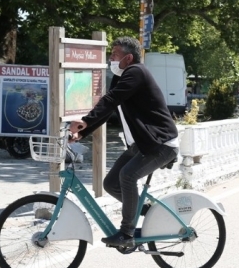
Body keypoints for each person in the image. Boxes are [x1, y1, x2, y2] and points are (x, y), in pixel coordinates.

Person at [70, 36, 179, 247]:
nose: (110, 58)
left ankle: (127, 235)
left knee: (127, 176)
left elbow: (110, 100)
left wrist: (84, 121)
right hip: (142, 144)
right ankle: (145, 212)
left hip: (160, 144)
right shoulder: (122, 77)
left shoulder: (136, 72)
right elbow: (109, 107)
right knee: (110, 184)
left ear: (128, 58)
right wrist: (83, 131)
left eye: (114, 54)